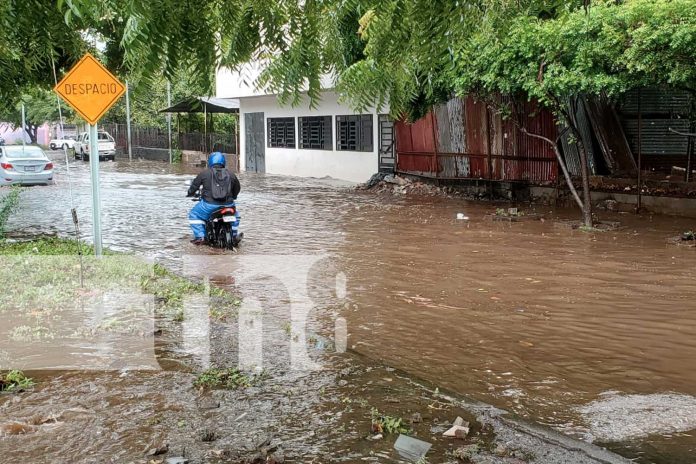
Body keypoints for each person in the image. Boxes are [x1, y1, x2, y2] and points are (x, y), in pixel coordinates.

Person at [187, 152, 241, 245]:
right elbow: (237, 188)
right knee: (236, 216)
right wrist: (234, 196)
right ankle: (234, 235)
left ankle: (200, 237)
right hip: (229, 205)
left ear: (210, 162)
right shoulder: (231, 174)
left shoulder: (204, 173)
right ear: (223, 162)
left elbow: (194, 186)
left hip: (208, 206)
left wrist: (190, 193)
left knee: (194, 214)